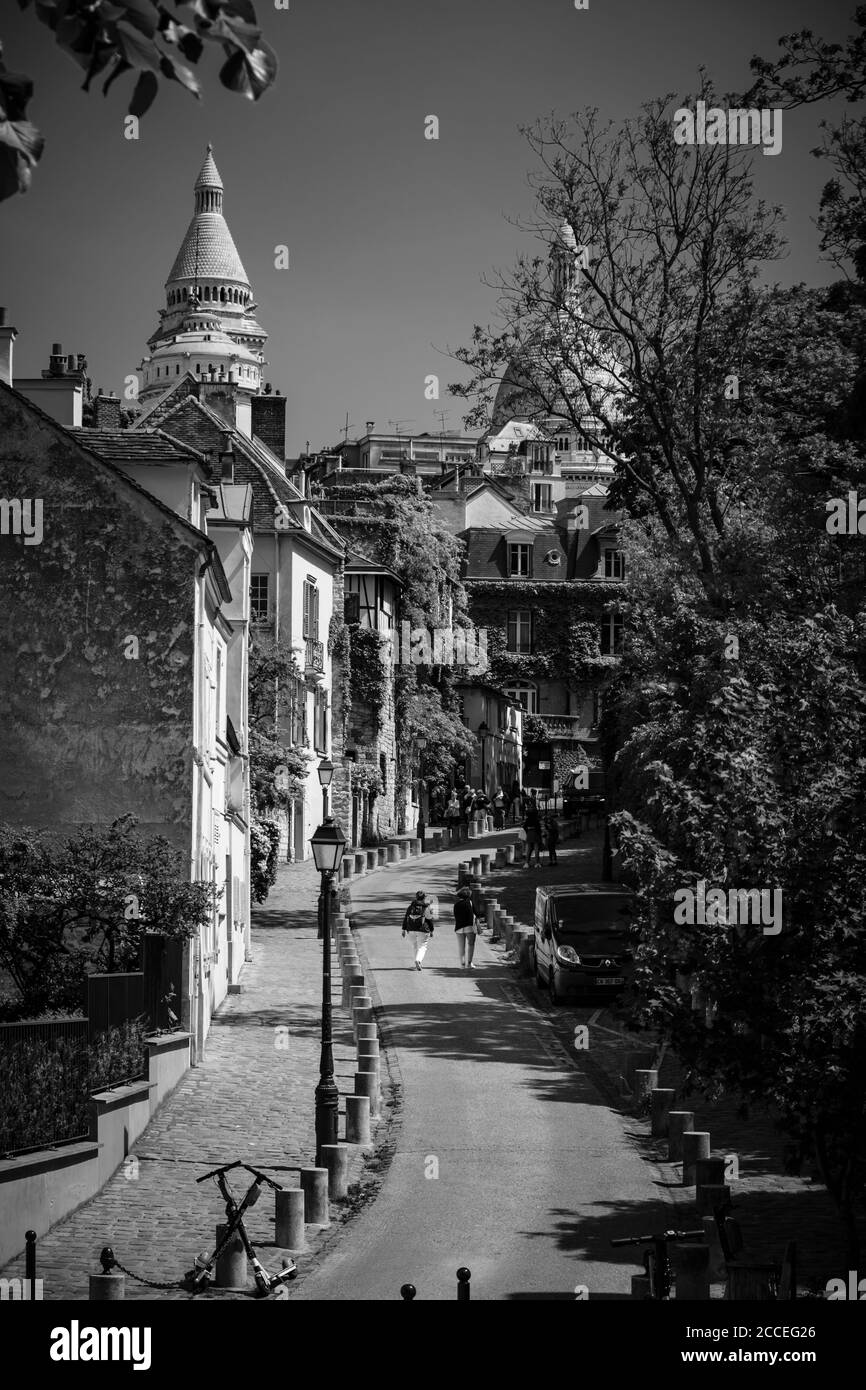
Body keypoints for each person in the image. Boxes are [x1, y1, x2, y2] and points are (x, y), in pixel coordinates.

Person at [402, 889, 435, 970]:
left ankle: (417, 961)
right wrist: (431, 930)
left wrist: (403, 929)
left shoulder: (411, 906)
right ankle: (418, 960)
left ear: (416, 897)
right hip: (422, 929)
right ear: (424, 898)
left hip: (411, 929)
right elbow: (429, 919)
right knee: (423, 946)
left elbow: (406, 917)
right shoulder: (426, 907)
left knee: (415, 946)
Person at [453, 886, 482, 969]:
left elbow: (455, 916)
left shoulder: (456, 904)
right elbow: (477, 913)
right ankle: (469, 963)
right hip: (469, 926)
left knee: (461, 946)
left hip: (458, 927)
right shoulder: (470, 902)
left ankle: (462, 964)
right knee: (471, 944)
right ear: (469, 895)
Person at [523, 798, 542, 868]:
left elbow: (524, 827)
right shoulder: (536, 817)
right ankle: (537, 863)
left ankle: (526, 863)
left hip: (529, 833)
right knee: (536, 849)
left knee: (528, 850)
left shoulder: (527, 817)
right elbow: (538, 827)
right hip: (535, 833)